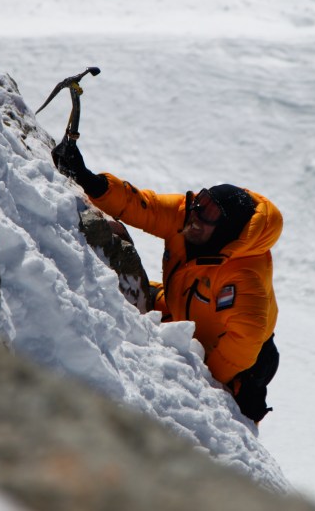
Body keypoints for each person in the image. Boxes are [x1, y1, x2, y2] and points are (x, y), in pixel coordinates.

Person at [53, 140, 283, 423]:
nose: (197, 214)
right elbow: (143, 207)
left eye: (210, 212)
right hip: (180, 310)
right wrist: (90, 180)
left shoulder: (244, 280)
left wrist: (199, 374)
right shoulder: (189, 217)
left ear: (227, 231)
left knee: (235, 414)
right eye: (202, 202)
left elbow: (242, 343)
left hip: (237, 364)